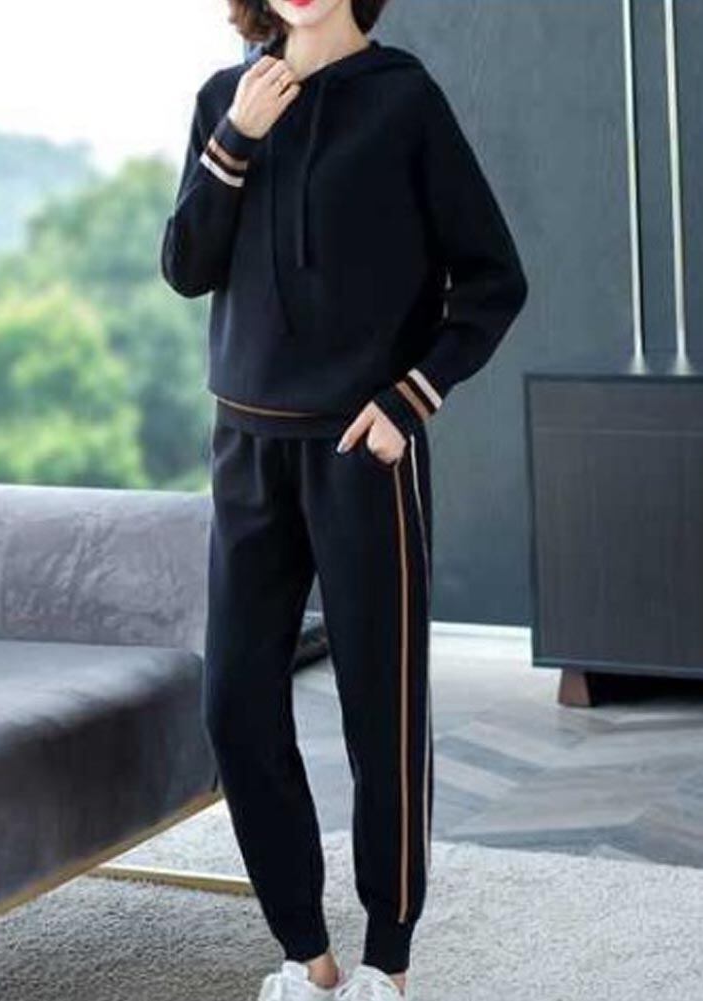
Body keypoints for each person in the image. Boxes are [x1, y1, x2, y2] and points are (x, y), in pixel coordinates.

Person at [161, 0, 528, 996]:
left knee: (381, 712)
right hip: (245, 445)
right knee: (234, 702)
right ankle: (305, 954)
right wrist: (237, 139)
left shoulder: (403, 100)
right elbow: (185, 266)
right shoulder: (224, 98)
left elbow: (492, 279)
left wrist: (411, 398)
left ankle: (386, 963)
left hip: (362, 448)